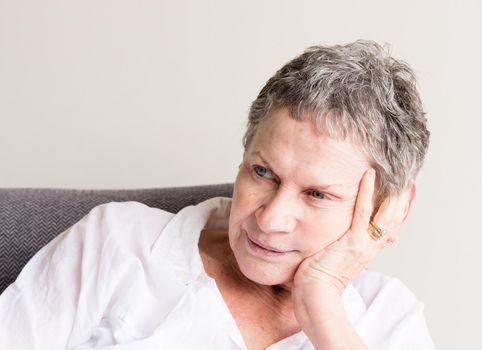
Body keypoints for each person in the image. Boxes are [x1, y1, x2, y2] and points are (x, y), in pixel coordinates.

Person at [0, 40, 435, 349]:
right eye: (263, 172)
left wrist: (322, 305)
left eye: (318, 195)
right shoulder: (119, 243)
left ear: (389, 208)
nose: (270, 219)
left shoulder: (387, 319)